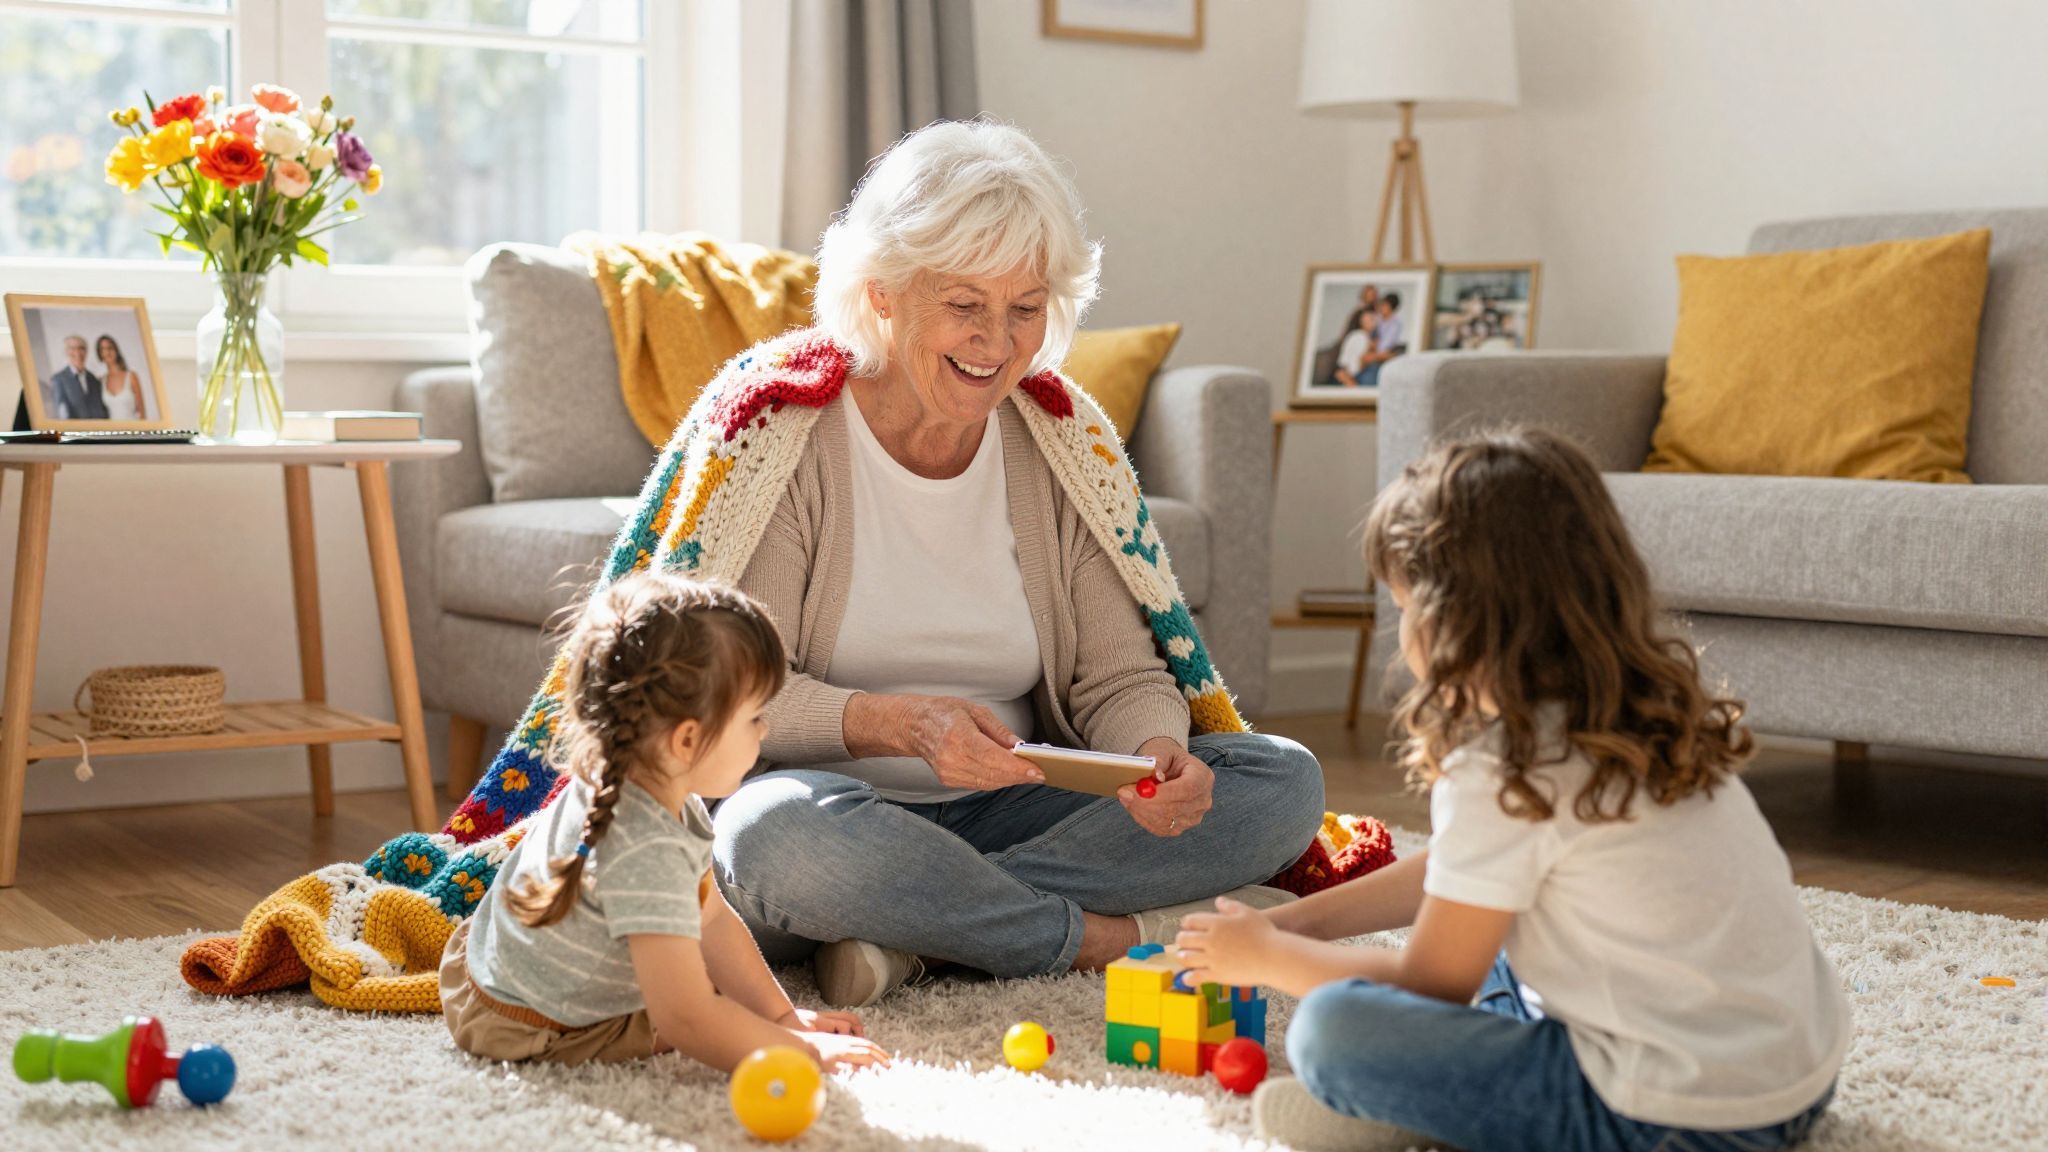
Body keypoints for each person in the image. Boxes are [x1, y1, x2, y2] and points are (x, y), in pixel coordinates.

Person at [711, 119, 1326, 1009]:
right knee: (770, 841)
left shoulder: (1057, 442)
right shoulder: (786, 436)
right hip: (828, 808)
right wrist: (904, 727)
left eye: (1025, 308)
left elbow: (1121, 673)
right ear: (883, 294)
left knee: (1281, 782)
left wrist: (1154, 760)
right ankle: (1096, 938)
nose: (997, 343)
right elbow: (740, 701)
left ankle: (918, 932)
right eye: (965, 305)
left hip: (1014, 807)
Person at [1177, 429, 1851, 1152]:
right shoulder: (1635, 713)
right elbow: (1457, 877)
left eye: (1403, 603)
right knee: (1502, 932)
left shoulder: (1505, 769)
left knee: (1330, 1029)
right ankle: (1448, 1096)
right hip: (1798, 1081)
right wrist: (1295, 923)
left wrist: (1268, 960)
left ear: (1449, 619)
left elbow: (1431, 985)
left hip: (1678, 1119)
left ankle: (1422, 1110)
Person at [439, 572, 891, 1072]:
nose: (765, 731)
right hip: (530, 1023)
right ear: (687, 740)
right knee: (705, 1006)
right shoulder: (644, 849)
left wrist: (782, 1018)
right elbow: (686, 1021)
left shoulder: (637, 776)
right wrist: (803, 1052)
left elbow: (713, 918)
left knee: (708, 981)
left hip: (492, 963)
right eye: (754, 717)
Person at [48, 335, 108, 420]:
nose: (77, 352)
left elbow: (102, 411)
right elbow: (63, 415)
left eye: (81, 348)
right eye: (72, 348)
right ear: (66, 352)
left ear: (86, 352)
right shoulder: (58, 380)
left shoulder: (94, 380)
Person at [1329, 287, 1378, 388]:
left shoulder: (1370, 332)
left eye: (1373, 296)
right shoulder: (1359, 335)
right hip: (1348, 377)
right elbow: (1348, 367)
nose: (1371, 299)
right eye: (1368, 296)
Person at [1355, 293, 1405, 390]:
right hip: (1371, 355)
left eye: (1384, 305)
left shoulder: (1395, 324)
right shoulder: (1379, 321)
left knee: (1368, 378)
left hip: (1381, 358)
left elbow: (1384, 347)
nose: (1381, 308)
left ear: (1390, 307)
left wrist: (1374, 351)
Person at [95, 334, 147, 421]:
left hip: (133, 430)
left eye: (110, 348)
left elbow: (142, 413)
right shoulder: (100, 381)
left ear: (116, 350)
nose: (107, 352)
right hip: (111, 432)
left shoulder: (131, 377)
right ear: (100, 354)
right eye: (103, 349)